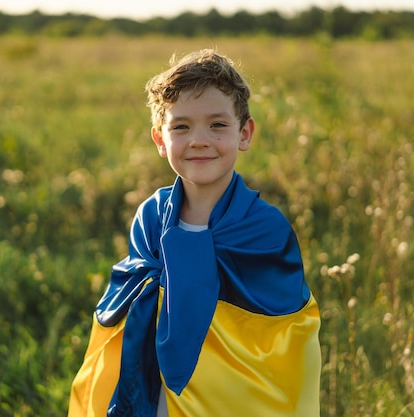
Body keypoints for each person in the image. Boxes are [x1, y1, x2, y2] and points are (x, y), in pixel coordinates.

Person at [67, 49, 321, 417]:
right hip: (156, 394)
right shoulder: (151, 216)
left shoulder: (264, 229)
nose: (199, 140)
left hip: (232, 398)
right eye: (181, 127)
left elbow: (285, 335)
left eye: (217, 125)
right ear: (159, 139)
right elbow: (129, 301)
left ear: (244, 133)